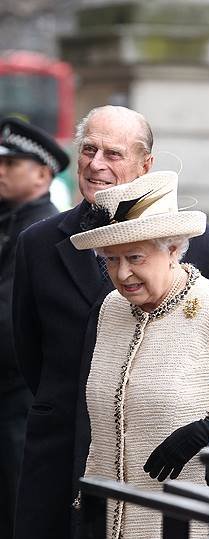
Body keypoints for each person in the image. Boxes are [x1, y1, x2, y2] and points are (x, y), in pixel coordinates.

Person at [12, 105, 209, 539]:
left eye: (113, 154)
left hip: (162, 479)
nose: (96, 164)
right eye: (88, 149)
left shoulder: (208, 248)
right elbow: (30, 353)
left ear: (146, 165)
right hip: (58, 456)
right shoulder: (37, 242)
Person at [69, 169, 209, 538]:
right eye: (111, 260)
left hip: (186, 523)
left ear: (172, 248)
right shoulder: (112, 308)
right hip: (106, 519)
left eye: (135, 257)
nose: (122, 274)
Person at [0, 117, 69, 539]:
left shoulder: (38, 230)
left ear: (43, 174)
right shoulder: (11, 220)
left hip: (17, 399)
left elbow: (8, 324)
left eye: (12, 165)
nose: (1, 171)